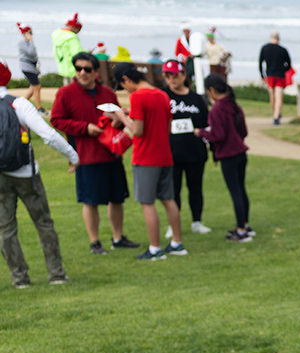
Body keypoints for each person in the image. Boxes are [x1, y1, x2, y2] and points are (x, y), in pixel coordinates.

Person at [0, 59, 77, 287]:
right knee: (43, 223)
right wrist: (73, 156)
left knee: (6, 228)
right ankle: (56, 274)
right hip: (26, 174)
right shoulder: (18, 104)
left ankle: (19, 278)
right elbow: (49, 135)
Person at [50, 49, 135, 254]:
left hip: (111, 153)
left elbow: (118, 118)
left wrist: (117, 121)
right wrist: (85, 128)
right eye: (78, 68)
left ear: (96, 71)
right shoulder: (65, 93)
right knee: (90, 200)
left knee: (117, 198)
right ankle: (95, 242)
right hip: (86, 156)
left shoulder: (107, 93)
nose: (82, 73)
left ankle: (118, 237)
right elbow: (56, 120)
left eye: (87, 69)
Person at [107, 61, 185, 260]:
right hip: (165, 155)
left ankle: (155, 248)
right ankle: (176, 242)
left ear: (126, 79)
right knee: (169, 199)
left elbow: (138, 131)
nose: (124, 89)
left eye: (122, 85)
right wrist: (130, 114)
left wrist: (122, 117)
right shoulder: (162, 94)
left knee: (147, 203)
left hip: (146, 158)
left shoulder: (138, 97)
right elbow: (167, 127)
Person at [161, 60, 211, 235]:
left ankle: (197, 221)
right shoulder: (162, 96)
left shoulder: (196, 99)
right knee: (173, 190)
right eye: (167, 75)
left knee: (195, 188)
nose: (172, 79)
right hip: (171, 152)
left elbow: (206, 124)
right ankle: (172, 224)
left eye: (175, 75)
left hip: (195, 152)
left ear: (183, 75)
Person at [199, 74, 251, 242]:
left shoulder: (217, 109)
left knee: (235, 191)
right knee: (241, 189)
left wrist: (200, 132)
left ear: (212, 90)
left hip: (228, 156)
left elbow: (218, 135)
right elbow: (243, 131)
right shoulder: (235, 106)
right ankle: (245, 224)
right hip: (240, 153)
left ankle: (241, 230)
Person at [258, 32, 291, 125]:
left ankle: (275, 114)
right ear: (279, 38)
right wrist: (283, 70)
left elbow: (260, 62)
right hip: (280, 75)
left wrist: (262, 75)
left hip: (270, 75)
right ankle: (276, 116)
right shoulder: (283, 50)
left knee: (272, 96)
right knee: (278, 96)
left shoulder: (265, 48)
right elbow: (288, 65)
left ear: (270, 37)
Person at [16, 25, 41, 107]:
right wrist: (31, 41)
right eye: (30, 32)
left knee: (32, 88)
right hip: (26, 67)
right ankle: (39, 107)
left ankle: (19, 105)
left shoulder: (28, 42)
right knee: (37, 86)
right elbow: (31, 52)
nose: (31, 34)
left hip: (32, 67)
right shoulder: (22, 42)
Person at [52, 13, 83, 79]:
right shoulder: (72, 38)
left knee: (67, 88)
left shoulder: (57, 35)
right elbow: (78, 55)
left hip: (63, 68)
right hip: (73, 70)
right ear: (74, 28)